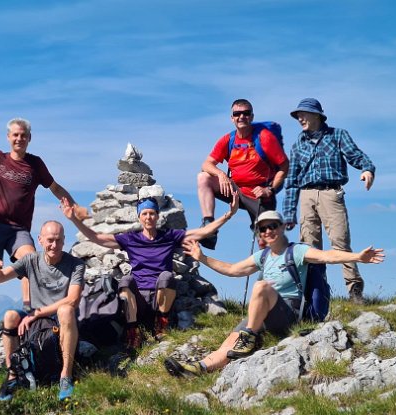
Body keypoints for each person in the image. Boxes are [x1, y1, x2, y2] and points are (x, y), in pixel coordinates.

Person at [164, 210, 384, 377]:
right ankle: (199, 368)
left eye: (272, 226)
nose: (268, 231)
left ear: (281, 228)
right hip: (264, 311)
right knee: (230, 340)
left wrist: (357, 257)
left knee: (260, 287)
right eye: (263, 228)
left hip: (288, 312)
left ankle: (249, 336)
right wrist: (201, 257)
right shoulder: (263, 256)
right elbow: (232, 270)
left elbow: (327, 255)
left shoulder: (297, 251)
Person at [0, 83, 79, 347]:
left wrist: (72, 206)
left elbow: (54, 186)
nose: (19, 139)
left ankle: (32, 314)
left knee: (31, 262)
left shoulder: (35, 163)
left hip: (19, 228)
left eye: (24, 135)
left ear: (29, 138)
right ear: (8, 137)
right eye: (15, 135)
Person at [61, 190, 240, 346]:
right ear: (139, 217)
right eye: (145, 213)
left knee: (166, 277)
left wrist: (228, 215)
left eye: (152, 213)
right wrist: (74, 220)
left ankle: (161, 323)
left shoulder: (169, 236)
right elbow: (97, 238)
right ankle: (132, 330)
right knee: (125, 280)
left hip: (159, 296)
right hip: (137, 298)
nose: (148, 217)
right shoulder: (130, 239)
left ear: (157, 216)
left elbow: (202, 232)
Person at [282, 98, 376, 304]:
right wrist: (289, 213)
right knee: (308, 248)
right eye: (297, 115)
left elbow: (356, 156)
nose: (299, 118)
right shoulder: (298, 143)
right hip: (306, 195)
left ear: (317, 115)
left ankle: (354, 290)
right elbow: (291, 180)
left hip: (331, 193)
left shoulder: (338, 135)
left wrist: (367, 169)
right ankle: (316, 293)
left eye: (303, 114)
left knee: (340, 242)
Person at [0, 220, 84, 401]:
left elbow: (73, 299)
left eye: (58, 240)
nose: (54, 245)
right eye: (49, 240)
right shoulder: (30, 260)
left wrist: (37, 313)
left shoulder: (76, 265)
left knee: (66, 310)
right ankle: (13, 375)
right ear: (40, 240)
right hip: (36, 317)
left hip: (58, 318)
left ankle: (66, 376)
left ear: (64, 241)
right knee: (9, 316)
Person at [197, 98, 289, 249]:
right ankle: (209, 226)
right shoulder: (229, 139)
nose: (241, 117)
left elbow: (284, 165)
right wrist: (221, 174)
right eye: (237, 113)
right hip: (235, 190)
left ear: (252, 117)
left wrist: (270, 190)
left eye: (246, 113)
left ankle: (271, 267)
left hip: (259, 194)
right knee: (203, 177)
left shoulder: (264, 137)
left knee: (268, 239)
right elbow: (206, 164)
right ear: (232, 117)